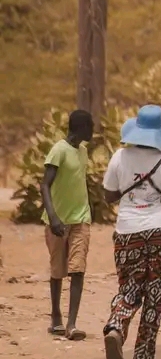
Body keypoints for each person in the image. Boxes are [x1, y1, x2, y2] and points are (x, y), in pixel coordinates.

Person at [101, 105, 161, 359]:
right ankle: (143, 354)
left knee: (129, 285)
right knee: (157, 291)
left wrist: (132, 191)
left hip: (128, 230)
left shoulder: (119, 156)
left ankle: (116, 326)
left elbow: (108, 195)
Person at [40, 109, 94, 341]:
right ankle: (56, 317)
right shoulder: (59, 150)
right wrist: (53, 217)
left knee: (78, 269)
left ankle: (72, 324)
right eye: (90, 126)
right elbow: (45, 185)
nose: (93, 130)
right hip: (58, 221)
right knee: (57, 271)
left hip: (81, 219)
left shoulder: (83, 151)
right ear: (80, 128)